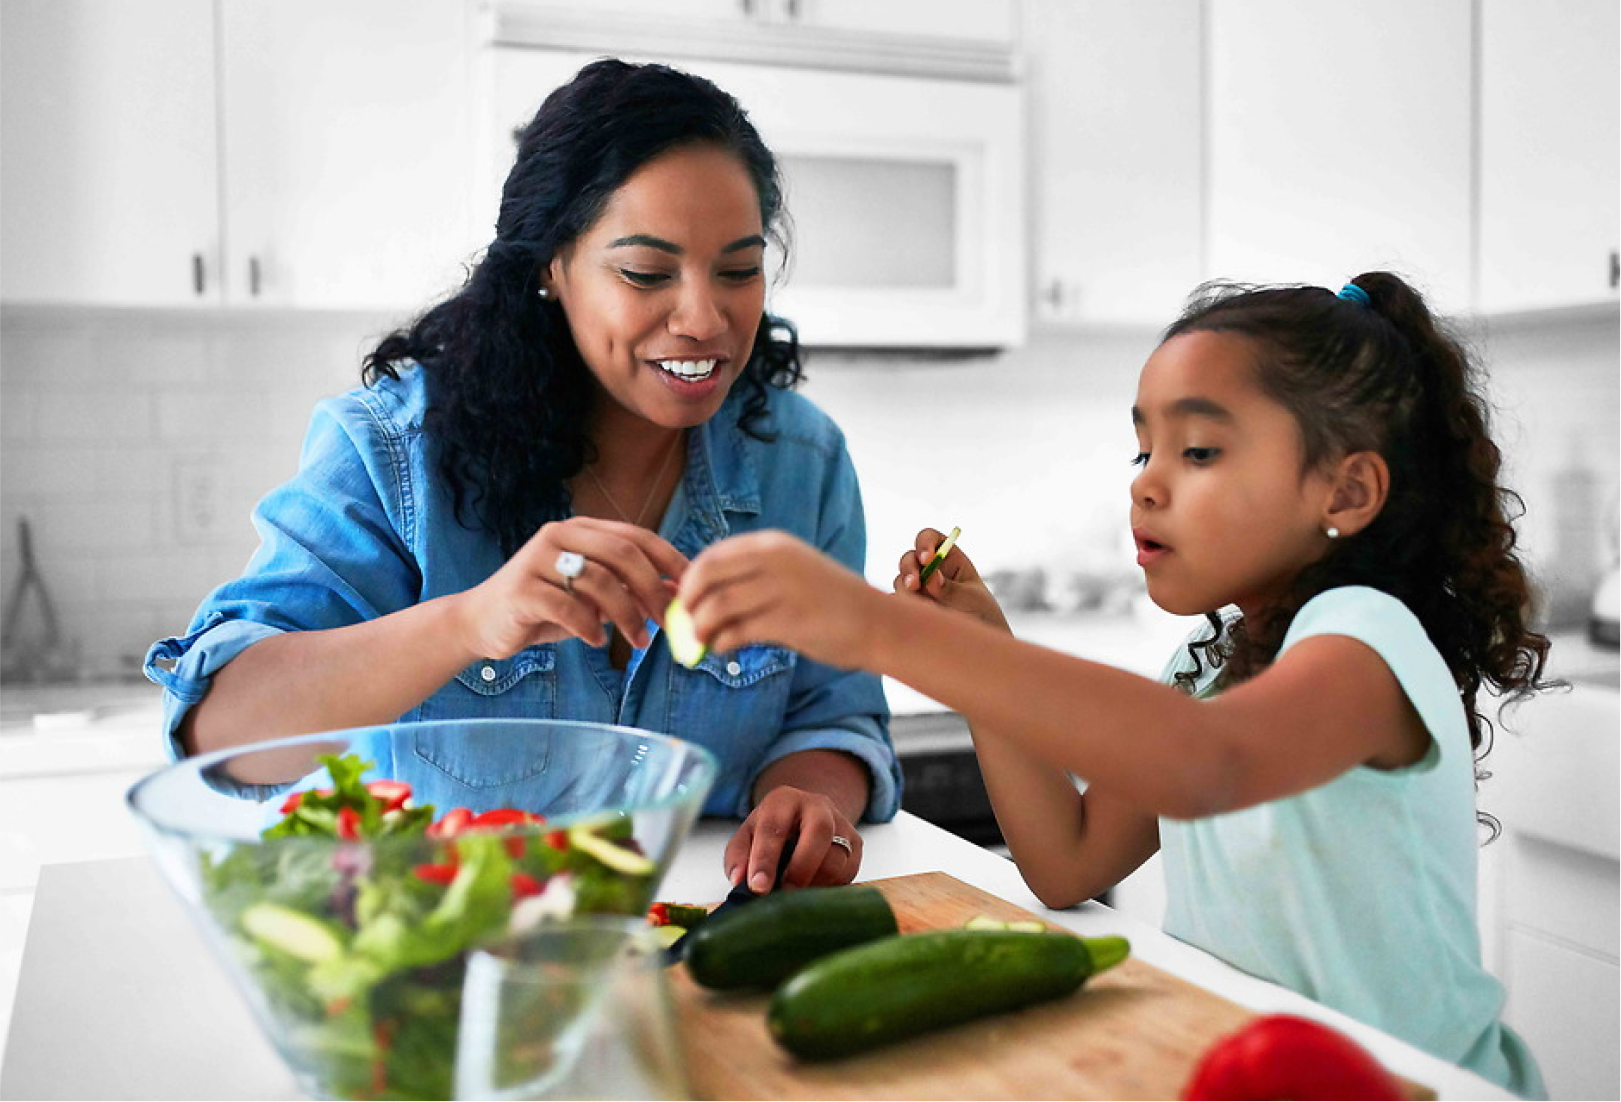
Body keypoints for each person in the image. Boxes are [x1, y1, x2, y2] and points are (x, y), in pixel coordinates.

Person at [674, 272, 1552, 1096]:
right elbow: (1066, 861)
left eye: (1199, 451)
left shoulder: (1363, 638)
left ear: (1347, 490)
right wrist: (980, 649)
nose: (1146, 489)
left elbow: (1209, 763)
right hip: (1257, 1067)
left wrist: (877, 627)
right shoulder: (1205, 670)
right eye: (1142, 454)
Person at [143, 58, 901, 894]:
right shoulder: (394, 452)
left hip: (706, 950)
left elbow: (832, 713)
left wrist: (804, 794)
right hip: (446, 959)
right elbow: (221, 730)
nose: (704, 319)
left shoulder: (802, 462)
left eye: (738, 270)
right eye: (645, 274)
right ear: (550, 266)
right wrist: (469, 621)